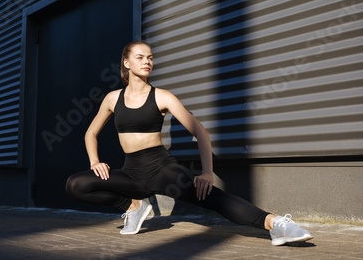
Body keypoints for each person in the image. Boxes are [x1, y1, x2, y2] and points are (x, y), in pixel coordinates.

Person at [66, 41, 313, 246]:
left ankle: (276, 224)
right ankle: (133, 206)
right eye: (140, 57)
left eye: (150, 57)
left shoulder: (162, 96)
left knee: (212, 198)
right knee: (77, 184)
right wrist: (95, 161)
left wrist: (206, 172)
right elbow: (91, 134)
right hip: (131, 172)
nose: (147, 62)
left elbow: (200, 133)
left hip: (161, 168)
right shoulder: (112, 99)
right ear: (126, 63)